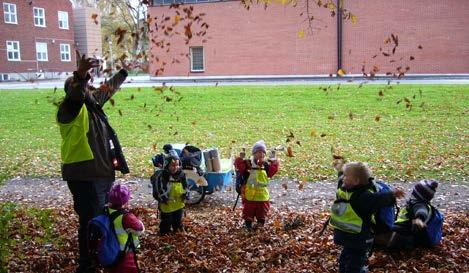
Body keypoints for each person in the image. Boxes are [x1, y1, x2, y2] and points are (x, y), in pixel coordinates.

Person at [57, 52, 129, 273]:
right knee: (90, 221)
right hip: (85, 175)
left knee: (98, 220)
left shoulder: (92, 105)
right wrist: (80, 74)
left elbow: (106, 90)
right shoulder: (69, 110)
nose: (90, 90)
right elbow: (76, 94)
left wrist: (124, 72)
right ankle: (86, 265)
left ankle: (99, 255)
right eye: (86, 88)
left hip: (100, 173)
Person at [329, 161, 405, 273]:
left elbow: (377, 198)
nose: (343, 178)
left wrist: (391, 195)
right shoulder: (353, 192)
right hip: (353, 237)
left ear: (355, 181)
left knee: (351, 260)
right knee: (350, 260)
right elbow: (378, 199)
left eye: (346, 176)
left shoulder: (354, 193)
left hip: (351, 237)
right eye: (343, 175)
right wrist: (340, 170)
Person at [384, 179, 443, 250]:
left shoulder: (419, 204)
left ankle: (405, 243)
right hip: (406, 228)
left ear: (417, 193)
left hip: (407, 230)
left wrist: (419, 219)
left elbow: (421, 211)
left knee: (385, 231)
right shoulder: (417, 202)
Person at [234, 140, 279, 230]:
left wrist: (274, 163)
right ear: (254, 154)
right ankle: (248, 225)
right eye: (258, 152)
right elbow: (240, 168)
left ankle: (260, 224)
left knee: (262, 210)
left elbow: (271, 173)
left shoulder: (265, 165)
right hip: (249, 194)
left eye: (263, 153)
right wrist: (240, 159)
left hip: (262, 195)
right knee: (248, 210)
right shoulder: (248, 163)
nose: (261, 154)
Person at [104, 184, 144, 273]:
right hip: (125, 254)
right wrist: (139, 220)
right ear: (125, 202)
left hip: (109, 250)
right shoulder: (126, 217)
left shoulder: (104, 211)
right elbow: (139, 229)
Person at [153, 151, 189, 235]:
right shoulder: (162, 176)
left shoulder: (181, 175)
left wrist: (186, 195)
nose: (175, 167)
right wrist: (163, 198)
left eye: (177, 165)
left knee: (177, 220)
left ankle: (177, 231)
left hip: (179, 204)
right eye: (172, 165)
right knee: (166, 221)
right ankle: (164, 234)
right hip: (166, 205)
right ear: (167, 165)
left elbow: (186, 186)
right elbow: (159, 189)